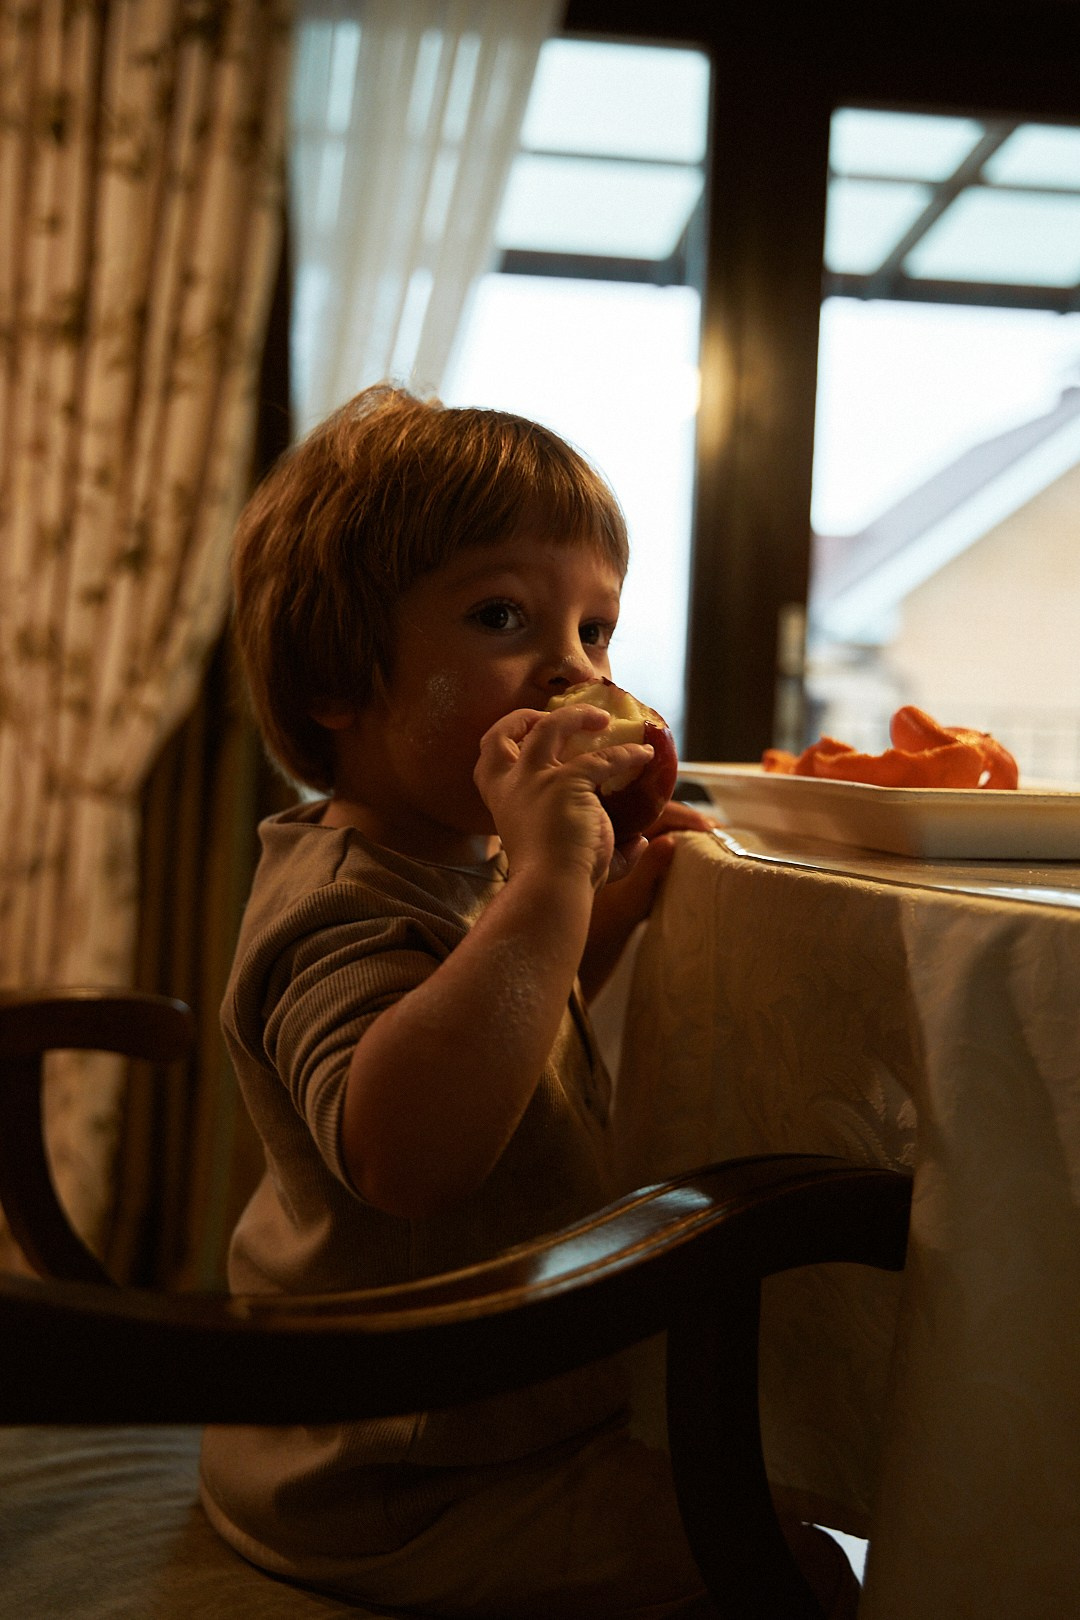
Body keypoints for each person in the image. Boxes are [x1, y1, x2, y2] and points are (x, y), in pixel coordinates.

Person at [199, 385, 858, 1619]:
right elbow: (415, 1154)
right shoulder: (337, 905)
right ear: (341, 674)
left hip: (455, 1415)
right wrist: (552, 876)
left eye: (598, 631)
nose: (574, 670)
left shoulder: (456, 867)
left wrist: (612, 886)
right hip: (396, 1465)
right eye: (505, 616)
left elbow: (518, 1026)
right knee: (800, 1566)